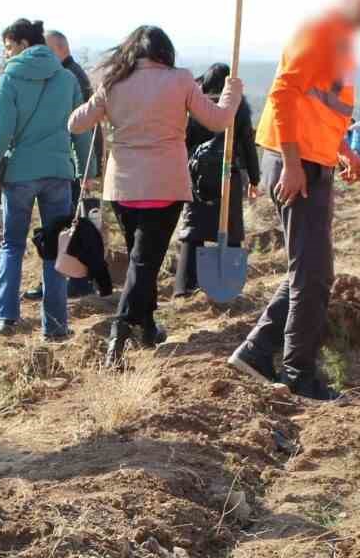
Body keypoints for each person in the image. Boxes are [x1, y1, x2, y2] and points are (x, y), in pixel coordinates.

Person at [228, 0, 360, 399]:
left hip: (314, 162)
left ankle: (259, 351)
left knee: (312, 271)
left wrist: (347, 151)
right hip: (294, 162)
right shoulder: (319, 33)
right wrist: (295, 165)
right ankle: (299, 374)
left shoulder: (342, 47)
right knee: (312, 274)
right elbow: (282, 95)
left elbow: (325, 111)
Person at [68, 25, 242, 364]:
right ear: (166, 51)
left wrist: (99, 103)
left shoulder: (114, 83)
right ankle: (120, 330)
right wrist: (231, 93)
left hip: (124, 187)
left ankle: (147, 327)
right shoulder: (180, 80)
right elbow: (219, 120)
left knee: (139, 259)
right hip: (164, 185)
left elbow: (75, 124)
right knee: (144, 263)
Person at [0, 19, 83, 339]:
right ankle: (57, 327)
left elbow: (0, 134)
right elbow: (80, 129)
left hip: (19, 175)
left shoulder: (10, 79)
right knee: (55, 251)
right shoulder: (66, 78)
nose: (7, 55)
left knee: (11, 246)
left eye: (8, 47)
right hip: (59, 175)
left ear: (22, 44)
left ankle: (5, 318)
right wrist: (87, 173)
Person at [175, 62, 260, 296]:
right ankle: (229, 286)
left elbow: (184, 142)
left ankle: (185, 286)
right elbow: (247, 144)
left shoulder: (195, 104)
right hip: (228, 176)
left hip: (197, 176)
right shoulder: (237, 107)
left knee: (194, 230)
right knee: (230, 230)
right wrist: (254, 177)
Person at [45, 29, 102, 298]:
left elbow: (84, 129)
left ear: (59, 49)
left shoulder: (70, 78)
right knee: (71, 225)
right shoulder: (71, 75)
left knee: (72, 227)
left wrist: (86, 170)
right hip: (77, 164)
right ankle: (71, 279)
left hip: (76, 164)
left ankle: (76, 281)